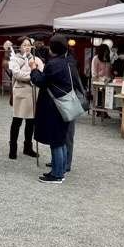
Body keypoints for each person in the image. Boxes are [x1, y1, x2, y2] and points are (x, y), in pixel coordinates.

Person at [29, 34, 72, 184]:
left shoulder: (54, 64)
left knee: (56, 141)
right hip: (62, 106)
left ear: (53, 48)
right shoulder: (64, 62)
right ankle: (59, 170)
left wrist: (33, 69)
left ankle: (57, 174)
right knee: (60, 141)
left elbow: (40, 81)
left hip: (55, 107)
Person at [8, 36, 39, 159]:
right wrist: (32, 74)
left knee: (31, 122)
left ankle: (28, 147)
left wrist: (34, 73)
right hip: (21, 92)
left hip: (32, 92)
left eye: (29, 45)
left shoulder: (35, 58)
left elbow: (40, 71)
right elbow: (16, 73)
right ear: (19, 47)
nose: (27, 47)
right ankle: (13, 148)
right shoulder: (15, 59)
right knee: (17, 121)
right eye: (24, 45)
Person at [91, 43, 113, 119]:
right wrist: (95, 80)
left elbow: (109, 70)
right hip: (98, 80)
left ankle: (104, 111)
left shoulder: (108, 60)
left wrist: (110, 78)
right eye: (105, 51)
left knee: (106, 97)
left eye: (107, 51)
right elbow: (94, 70)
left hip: (107, 80)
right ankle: (99, 111)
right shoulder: (96, 58)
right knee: (99, 97)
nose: (106, 53)